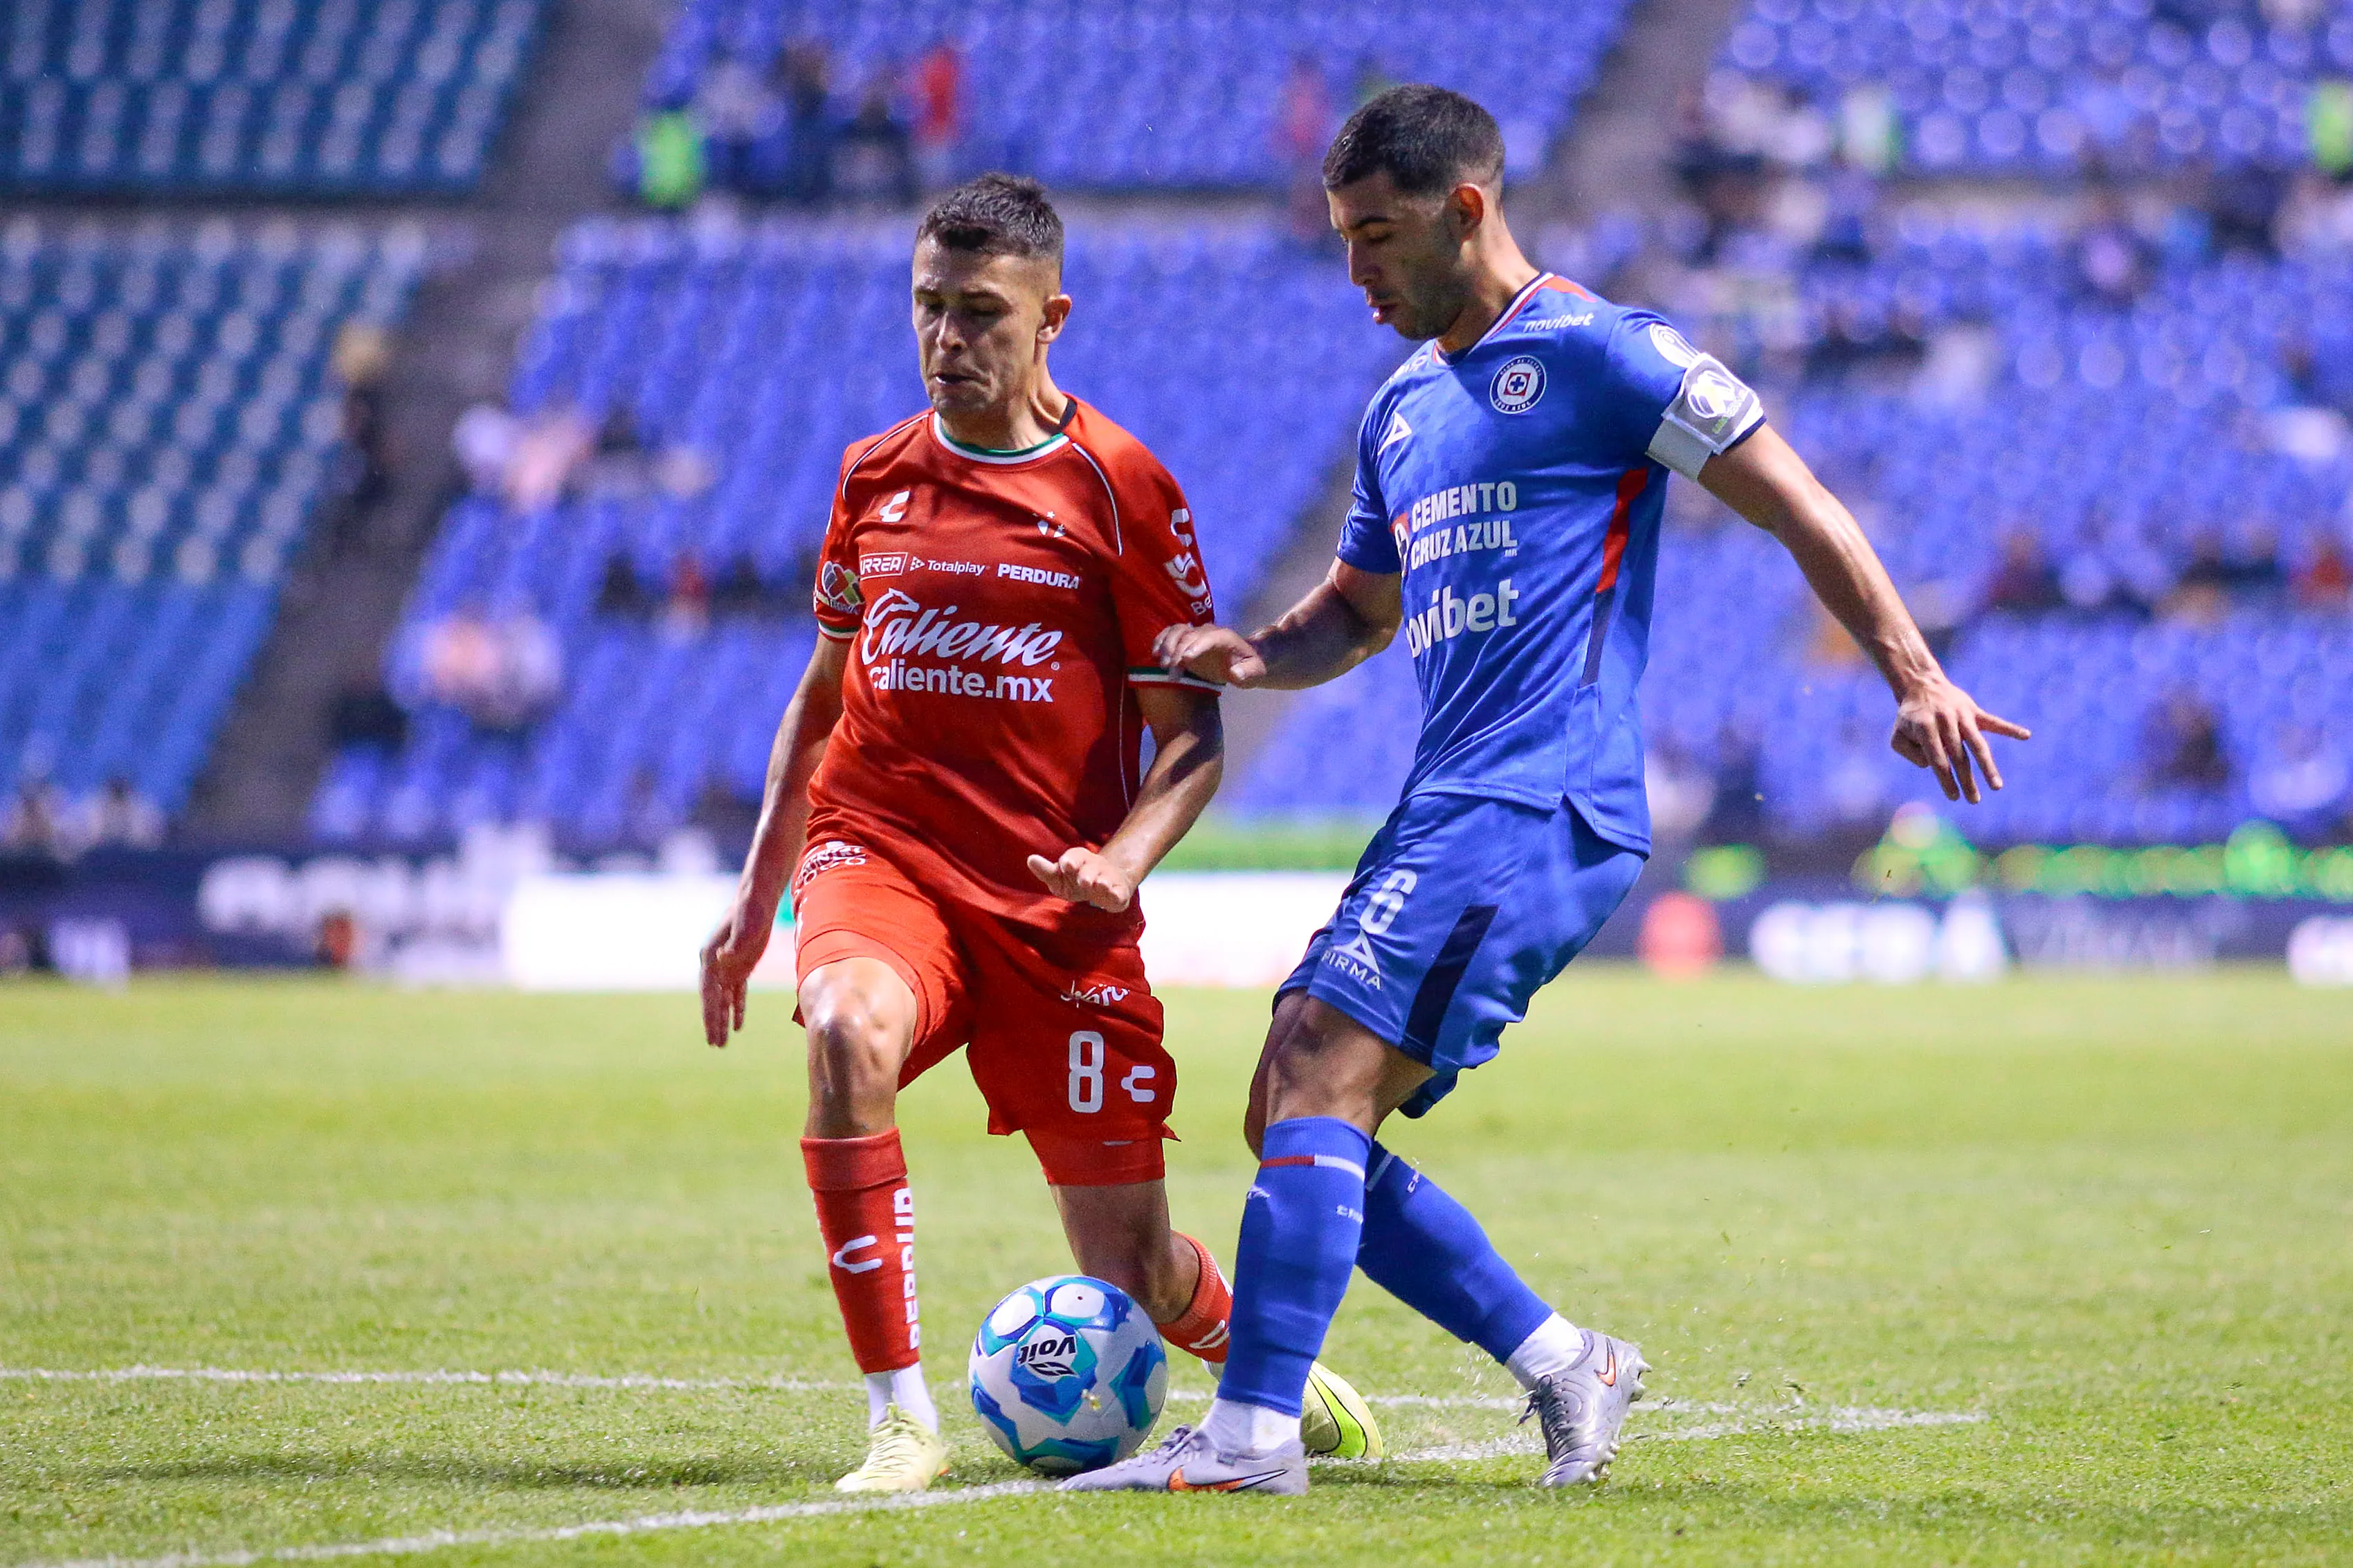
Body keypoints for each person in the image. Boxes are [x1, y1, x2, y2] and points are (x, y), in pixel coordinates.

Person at [1068, 84, 2028, 1499]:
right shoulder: (1399, 409)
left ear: (1466, 209)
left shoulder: (1600, 350)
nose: (1355, 269)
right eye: (1341, 237)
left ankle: (1254, 1432)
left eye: (1377, 234)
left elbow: (1795, 497)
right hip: (1447, 795)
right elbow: (1355, 612)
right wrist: (1253, 653)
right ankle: (1565, 1358)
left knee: (1320, 1058)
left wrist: (1911, 671)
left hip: (1540, 792)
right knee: (1292, 1107)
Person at [696, 174, 1381, 1495]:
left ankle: (1252, 1356)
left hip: (1057, 903)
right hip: (880, 853)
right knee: (844, 1029)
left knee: (1132, 1270)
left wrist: (1119, 863)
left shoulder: (1122, 489)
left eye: (981, 312)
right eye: (929, 307)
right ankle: (900, 1419)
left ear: (1051, 317)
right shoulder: (874, 477)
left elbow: (1192, 737)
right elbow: (824, 701)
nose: (948, 337)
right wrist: (754, 896)